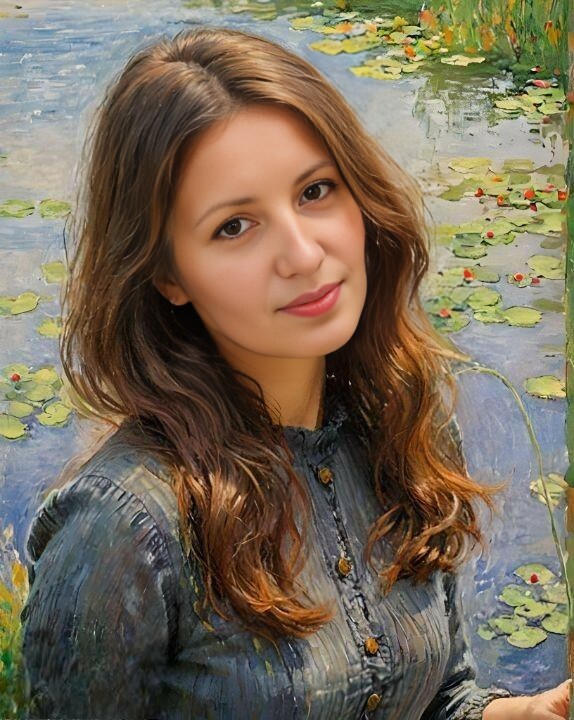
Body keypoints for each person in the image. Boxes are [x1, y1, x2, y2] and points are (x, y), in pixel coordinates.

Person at [19, 26, 570, 720]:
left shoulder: (403, 426)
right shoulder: (122, 527)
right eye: (234, 226)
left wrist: (533, 712)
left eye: (315, 191)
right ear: (167, 275)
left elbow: (440, 698)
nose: (304, 254)